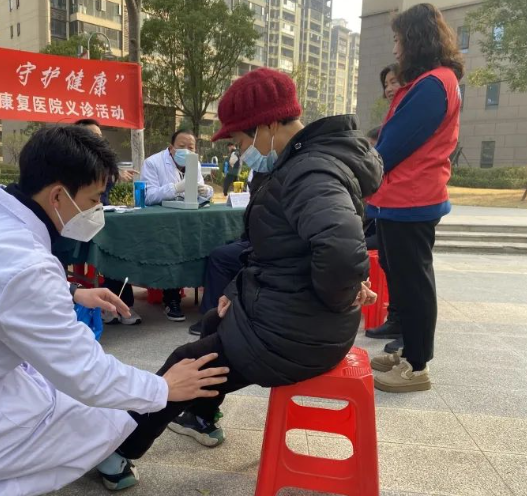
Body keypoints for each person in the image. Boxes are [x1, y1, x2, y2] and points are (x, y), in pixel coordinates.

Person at [0, 126, 229, 496]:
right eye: (94, 199)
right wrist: (163, 387)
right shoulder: (26, 264)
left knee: (46, 384)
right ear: (58, 195)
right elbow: (85, 372)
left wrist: (73, 292)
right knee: (99, 417)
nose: (97, 210)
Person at [96, 67, 382, 489]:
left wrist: (340, 296)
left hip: (300, 334)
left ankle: (119, 452)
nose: (240, 150)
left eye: (241, 141)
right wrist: (236, 291)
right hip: (303, 318)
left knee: (187, 362)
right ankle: (200, 416)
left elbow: (339, 249)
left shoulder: (309, 173)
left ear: (268, 126)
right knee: (214, 320)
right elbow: (274, 252)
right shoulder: (298, 164)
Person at [366, 3, 464, 393]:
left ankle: (417, 365)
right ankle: (408, 350)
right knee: (403, 279)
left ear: (415, 39)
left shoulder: (433, 84)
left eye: (398, 40)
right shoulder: (430, 81)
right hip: (402, 197)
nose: (395, 49)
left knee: (414, 283)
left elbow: (394, 144)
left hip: (412, 197)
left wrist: (363, 169)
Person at [140, 130, 214, 322]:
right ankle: (171, 299)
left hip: (188, 219)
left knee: (203, 242)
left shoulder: (194, 163)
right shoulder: (153, 163)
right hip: (162, 223)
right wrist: (176, 188)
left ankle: (207, 293)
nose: (186, 151)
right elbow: (148, 196)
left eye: (191, 147)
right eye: (182, 146)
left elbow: (199, 192)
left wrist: (206, 191)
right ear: (171, 148)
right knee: (171, 247)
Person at [74, 118, 141, 326]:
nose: (97, 140)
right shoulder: (71, 162)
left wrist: (115, 173)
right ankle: (111, 306)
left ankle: (122, 304)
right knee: (111, 246)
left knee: (119, 245)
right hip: (78, 222)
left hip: (105, 215)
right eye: (91, 136)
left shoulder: (104, 161)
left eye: (99, 136)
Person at [188, 169, 270, 336]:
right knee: (228, 246)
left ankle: (213, 316)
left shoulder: (283, 173)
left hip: (269, 243)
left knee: (220, 256)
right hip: (258, 236)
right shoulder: (265, 170)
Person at [364, 63, 404, 346]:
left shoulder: (409, 117)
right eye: (386, 83)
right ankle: (396, 320)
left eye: (394, 82)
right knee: (391, 264)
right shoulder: (394, 116)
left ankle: (411, 336)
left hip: (406, 206)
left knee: (407, 272)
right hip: (387, 206)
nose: (389, 88)